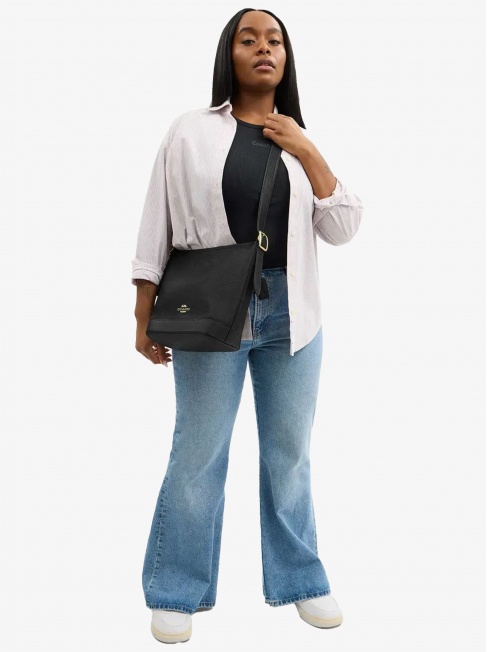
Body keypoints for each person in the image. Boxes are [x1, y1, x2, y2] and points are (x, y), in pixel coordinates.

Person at [131, 8, 363, 644]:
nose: (264, 48)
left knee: (290, 454)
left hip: (293, 314)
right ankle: (176, 588)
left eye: (275, 40)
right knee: (198, 452)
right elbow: (157, 218)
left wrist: (307, 149)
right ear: (228, 54)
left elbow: (342, 228)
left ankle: (301, 580)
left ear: (286, 59)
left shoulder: (298, 139)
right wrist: (143, 309)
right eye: (249, 39)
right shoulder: (190, 130)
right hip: (212, 309)